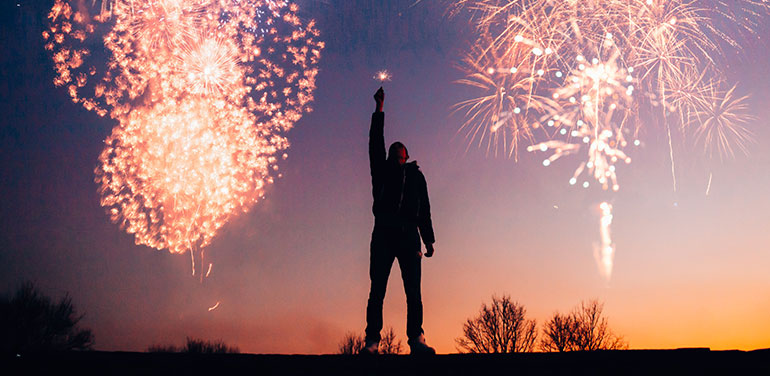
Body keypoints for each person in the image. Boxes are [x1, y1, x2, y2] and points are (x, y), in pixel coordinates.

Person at [362, 87, 436, 355]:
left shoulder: (416, 177)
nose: (395, 154)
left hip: (408, 235)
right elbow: (374, 142)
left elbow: (424, 208)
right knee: (377, 289)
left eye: (399, 152)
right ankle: (372, 340)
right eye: (392, 152)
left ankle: (416, 338)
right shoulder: (381, 172)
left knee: (413, 292)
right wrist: (379, 109)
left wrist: (428, 238)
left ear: (406, 156)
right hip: (383, 233)